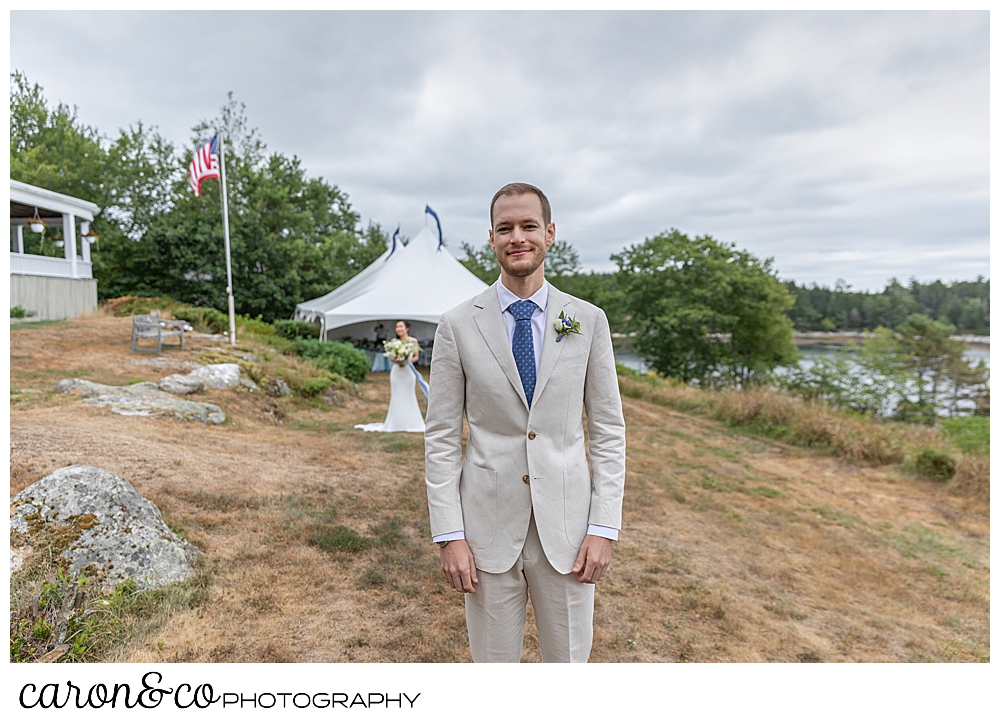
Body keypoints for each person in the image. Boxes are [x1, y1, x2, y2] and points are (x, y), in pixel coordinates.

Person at [424, 182, 626, 663]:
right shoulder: (456, 325)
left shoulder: (589, 320)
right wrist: (449, 535)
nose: (518, 237)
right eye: (505, 228)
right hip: (487, 530)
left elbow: (608, 431)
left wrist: (604, 527)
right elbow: (442, 438)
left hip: (570, 532)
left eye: (528, 226)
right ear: (491, 239)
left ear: (550, 233)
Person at [355, 320, 425, 433]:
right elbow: (391, 357)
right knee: (397, 396)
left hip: (408, 371)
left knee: (409, 395)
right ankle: (396, 422)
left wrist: (407, 361)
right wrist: (397, 360)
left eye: (401, 326)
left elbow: (416, 356)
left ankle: (411, 421)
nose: (399, 329)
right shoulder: (393, 342)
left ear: (407, 328)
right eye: (397, 327)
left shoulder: (413, 341)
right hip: (396, 372)